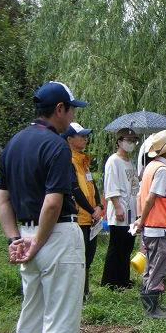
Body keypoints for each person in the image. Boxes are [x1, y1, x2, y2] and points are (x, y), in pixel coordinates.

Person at [0, 81, 87, 333]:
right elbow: (52, 203)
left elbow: (2, 198)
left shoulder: (14, 144)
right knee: (60, 316)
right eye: (71, 108)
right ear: (60, 109)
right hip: (57, 234)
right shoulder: (56, 145)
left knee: (32, 310)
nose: (72, 114)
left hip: (25, 232)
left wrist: (15, 239)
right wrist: (40, 242)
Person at [133, 130, 166, 319]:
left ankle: (151, 305)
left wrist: (141, 219)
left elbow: (141, 196)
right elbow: (150, 198)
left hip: (151, 225)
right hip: (157, 226)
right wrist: (142, 219)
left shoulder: (150, 167)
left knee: (150, 265)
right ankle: (152, 309)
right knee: (158, 264)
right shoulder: (162, 170)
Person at [60, 122, 104, 301]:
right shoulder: (68, 160)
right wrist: (91, 209)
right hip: (80, 218)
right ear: (69, 139)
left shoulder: (83, 160)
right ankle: (79, 294)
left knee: (89, 256)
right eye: (81, 136)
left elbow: (91, 186)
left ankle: (85, 292)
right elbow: (75, 189)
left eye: (86, 135)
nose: (85, 138)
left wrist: (99, 206)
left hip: (91, 217)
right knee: (79, 257)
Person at [102, 128, 140, 290]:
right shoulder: (113, 161)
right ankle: (111, 281)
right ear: (119, 141)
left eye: (133, 141)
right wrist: (117, 207)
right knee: (117, 245)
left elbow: (133, 183)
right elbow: (111, 186)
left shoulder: (130, 162)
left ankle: (124, 279)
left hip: (131, 210)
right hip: (120, 210)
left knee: (127, 246)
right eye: (128, 140)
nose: (131, 143)